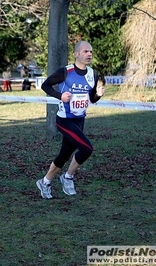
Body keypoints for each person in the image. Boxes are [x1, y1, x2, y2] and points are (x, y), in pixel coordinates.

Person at [36, 41, 105, 199]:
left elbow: (92, 99)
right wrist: (60, 96)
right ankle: (67, 177)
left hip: (80, 120)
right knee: (87, 149)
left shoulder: (92, 74)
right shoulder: (66, 72)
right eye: (86, 51)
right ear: (76, 54)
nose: (89, 54)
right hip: (64, 120)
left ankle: (45, 182)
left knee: (65, 155)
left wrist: (98, 95)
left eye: (91, 52)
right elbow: (45, 85)